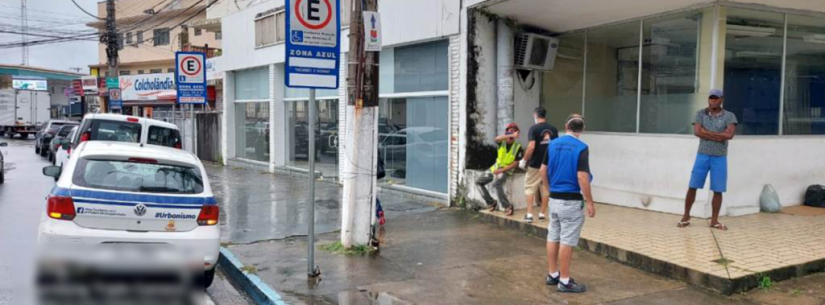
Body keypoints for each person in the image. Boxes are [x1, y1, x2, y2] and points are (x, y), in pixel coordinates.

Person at [541, 114, 595, 293]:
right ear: (582, 130)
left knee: (553, 235)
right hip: (571, 201)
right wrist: (590, 202)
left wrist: (549, 189)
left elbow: (543, 170)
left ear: (566, 126)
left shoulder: (553, 144)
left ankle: (552, 274)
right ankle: (564, 281)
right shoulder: (582, 147)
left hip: (554, 199)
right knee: (567, 240)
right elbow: (582, 177)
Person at [678, 89, 738, 230]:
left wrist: (707, 133)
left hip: (720, 157)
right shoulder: (700, 114)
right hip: (702, 155)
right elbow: (697, 132)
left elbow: (729, 135)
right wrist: (718, 135)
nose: (713, 100)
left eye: (716, 98)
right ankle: (686, 216)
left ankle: (714, 220)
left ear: (721, 99)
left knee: (718, 189)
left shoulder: (729, 116)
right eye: (711, 98)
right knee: (693, 186)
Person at [520, 107, 558, 223]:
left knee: (530, 187)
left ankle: (530, 214)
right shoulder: (553, 129)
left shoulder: (533, 128)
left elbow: (531, 146)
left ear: (535, 116)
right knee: (545, 189)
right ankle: (542, 214)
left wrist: (524, 160)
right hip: (549, 165)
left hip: (536, 164)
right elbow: (555, 146)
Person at [476, 123, 523, 216]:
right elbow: (496, 139)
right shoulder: (502, 142)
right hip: (496, 167)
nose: (511, 133)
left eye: (514, 131)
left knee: (497, 183)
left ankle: (507, 206)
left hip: (506, 170)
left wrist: (501, 171)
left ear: (517, 134)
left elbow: (515, 164)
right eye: (509, 131)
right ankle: (491, 202)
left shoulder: (518, 147)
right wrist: (510, 135)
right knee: (478, 182)